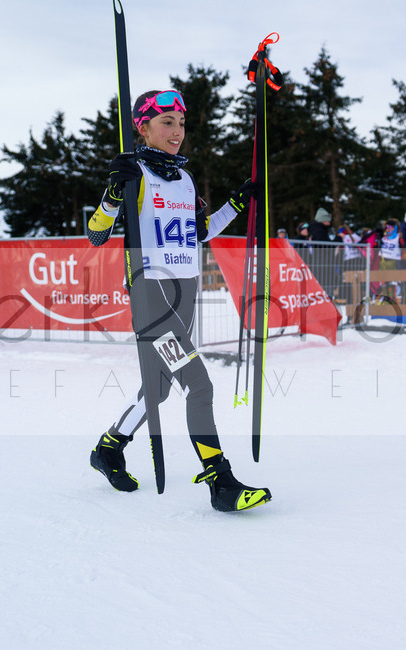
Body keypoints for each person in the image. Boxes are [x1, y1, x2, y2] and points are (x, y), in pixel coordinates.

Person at [85, 88, 270, 512]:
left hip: (185, 293)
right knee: (198, 384)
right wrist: (112, 195)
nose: (177, 131)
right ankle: (221, 482)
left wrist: (237, 203)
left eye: (181, 123)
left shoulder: (184, 179)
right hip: (151, 296)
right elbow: (96, 234)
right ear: (143, 127)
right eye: (166, 122)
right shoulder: (133, 174)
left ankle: (109, 448)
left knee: (158, 388)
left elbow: (200, 232)